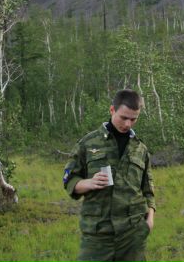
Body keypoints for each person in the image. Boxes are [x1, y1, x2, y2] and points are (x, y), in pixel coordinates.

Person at [63, 89, 156, 262]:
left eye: (133, 119)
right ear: (112, 110)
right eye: (123, 117)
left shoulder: (141, 149)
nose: (127, 124)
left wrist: (149, 220)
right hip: (98, 236)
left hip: (132, 236)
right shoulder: (88, 144)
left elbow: (148, 191)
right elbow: (69, 180)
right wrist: (88, 183)